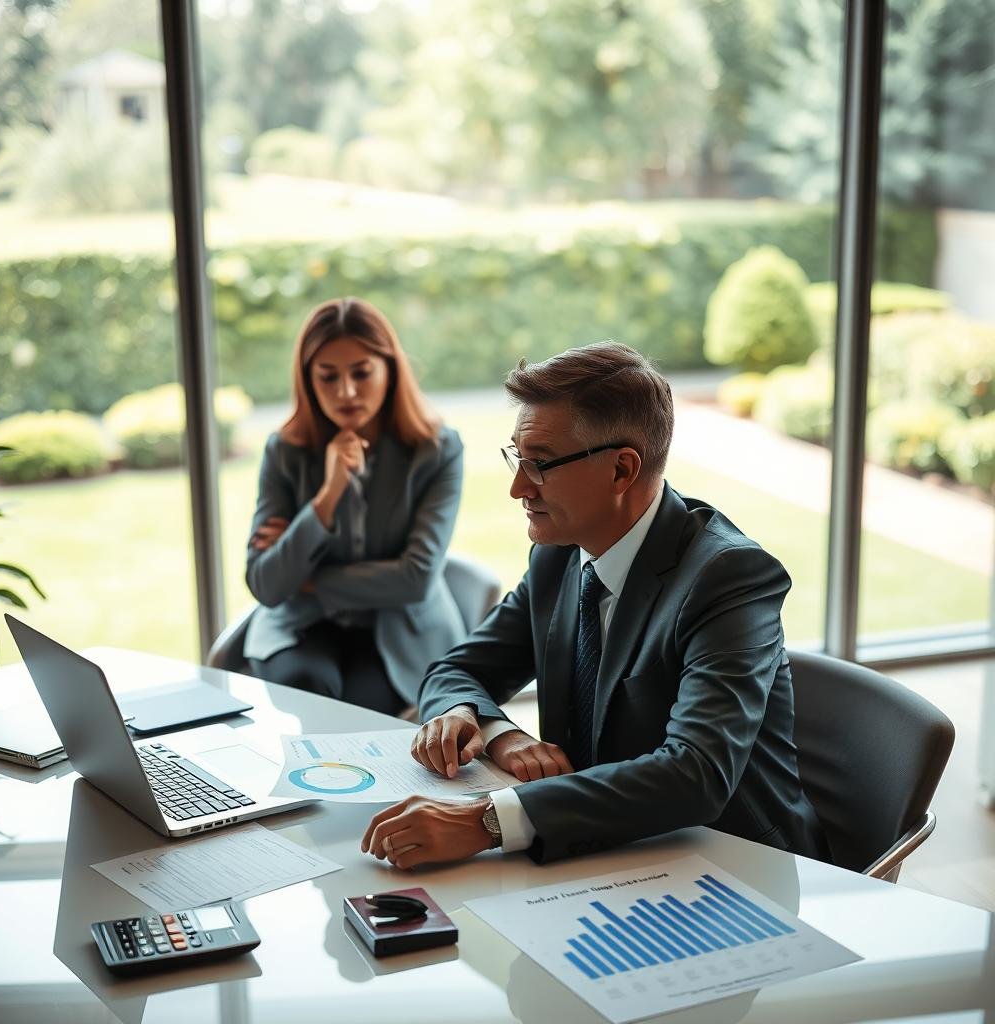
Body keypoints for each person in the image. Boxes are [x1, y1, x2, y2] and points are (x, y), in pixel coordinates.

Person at [361, 341, 829, 866]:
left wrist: (487, 820)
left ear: (622, 470)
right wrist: (499, 734)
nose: (518, 488)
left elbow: (696, 772)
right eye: (517, 457)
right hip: (600, 850)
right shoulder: (559, 556)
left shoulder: (730, 577)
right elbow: (457, 670)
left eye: (539, 464)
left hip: (728, 866)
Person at [244, 296, 464, 716]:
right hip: (301, 624)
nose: (345, 392)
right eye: (327, 377)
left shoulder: (437, 450)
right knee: (306, 687)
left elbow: (415, 578)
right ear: (308, 380)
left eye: (361, 373)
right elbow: (267, 584)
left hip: (400, 628)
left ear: (390, 370)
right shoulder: (284, 450)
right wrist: (327, 495)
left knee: (358, 713)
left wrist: (308, 578)